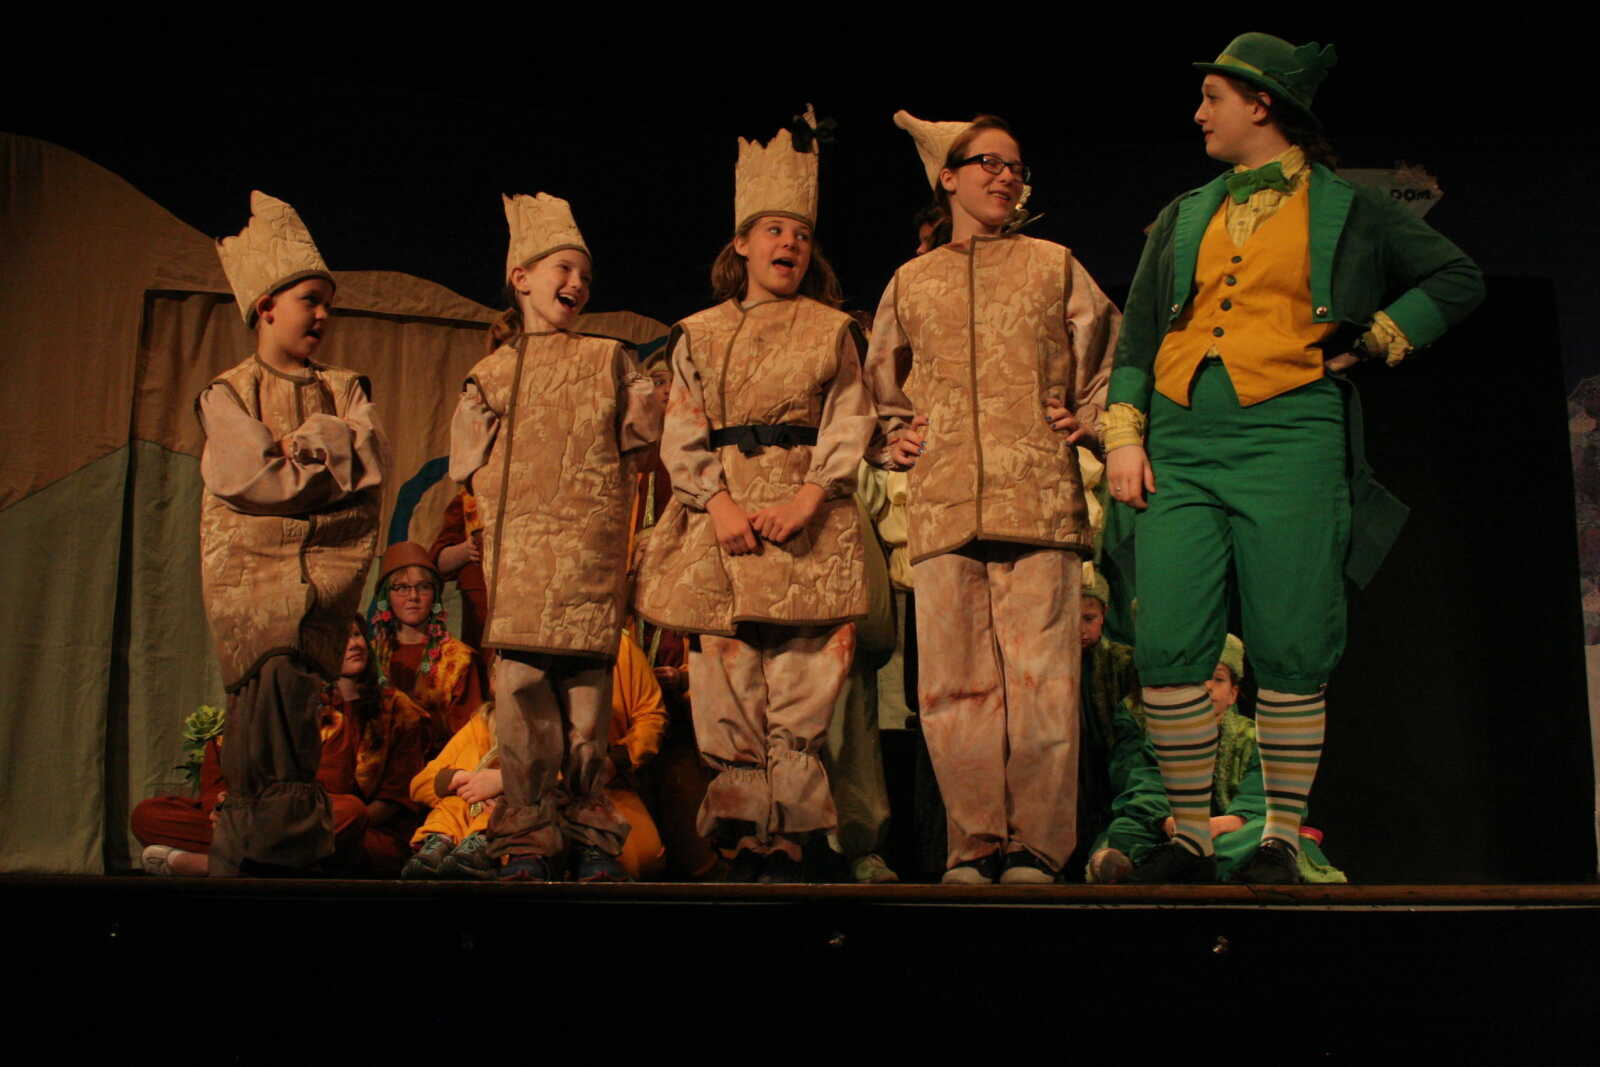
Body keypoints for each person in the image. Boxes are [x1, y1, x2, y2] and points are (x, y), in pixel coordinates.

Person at [1105, 33, 1485, 883]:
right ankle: (1191, 837)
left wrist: (1375, 339)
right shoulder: (1185, 212)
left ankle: (1280, 834)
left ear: (1262, 103)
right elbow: (1137, 336)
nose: (1198, 114)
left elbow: (1457, 278)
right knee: (1169, 639)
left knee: (1290, 635)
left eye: (1213, 98)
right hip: (1180, 441)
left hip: (1291, 434)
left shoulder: (1348, 207)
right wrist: (1125, 435)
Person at [865, 111, 1120, 884]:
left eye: (1015, 165)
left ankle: (1036, 848)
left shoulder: (1054, 264)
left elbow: (1109, 355)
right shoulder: (912, 280)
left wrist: (1090, 421)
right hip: (946, 504)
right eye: (988, 162)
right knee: (953, 687)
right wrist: (891, 436)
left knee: (1043, 682)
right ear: (949, 177)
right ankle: (974, 845)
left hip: (1036, 497)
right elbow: (876, 381)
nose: (1005, 176)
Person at [634, 108, 876, 883]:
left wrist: (810, 496)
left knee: (804, 676)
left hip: (807, 523)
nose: (789, 245)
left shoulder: (832, 329)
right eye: (774, 230)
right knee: (729, 672)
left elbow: (850, 419)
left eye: (801, 235)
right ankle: (742, 838)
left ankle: (792, 841)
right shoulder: (699, 332)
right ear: (741, 242)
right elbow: (683, 427)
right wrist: (717, 504)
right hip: (726, 522)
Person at [450, 191, 662, 881]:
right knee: (522, 691)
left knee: (586, 702)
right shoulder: (492, 374)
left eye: (585, 276)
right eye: (563, 269)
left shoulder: (611, 359)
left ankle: (590, 834)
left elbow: (643, 442)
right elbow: (466, 465)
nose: (577, 284)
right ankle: (528, 836)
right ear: (521, 277)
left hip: (589, 564)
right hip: (522, 569)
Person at [199, 191, 389, 876]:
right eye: (310, 299)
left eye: (328, 304)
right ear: (266, 306)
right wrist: (320, 458)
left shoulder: (346, 387)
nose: (322, 315)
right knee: (256, 719)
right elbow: (248, 476)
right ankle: (255, 860)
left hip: (323, 583)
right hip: (249, 584)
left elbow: (365, 462)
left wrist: (296, 449)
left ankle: (277, 864)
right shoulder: (228, 391)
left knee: (293, 710)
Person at [137, 620, 430, 877]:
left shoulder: (391, 709)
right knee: (149, 814)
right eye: (341, 638)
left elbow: (385, 797)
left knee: (351, 817)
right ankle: (267, 860)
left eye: (356, 635)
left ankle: (216, 865)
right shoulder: (288, 699)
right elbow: (219, 779)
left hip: (325, 822)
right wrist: (227, 809)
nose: (354, 644)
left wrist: (299, 820)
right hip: (261, 819)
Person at [403, 629, 669, 881]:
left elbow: (647, 719)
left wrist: (505, 781)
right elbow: (424, 781)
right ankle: (448, 844)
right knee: (458, 805)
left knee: (635, 853)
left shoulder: (609, 653)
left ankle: (582, 847)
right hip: (498, 810)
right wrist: (465, 781)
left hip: (584, 787)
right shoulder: (484, 721)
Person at [1087, 636, 1346, 883]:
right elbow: (1147, 788)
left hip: (1233, 831)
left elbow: (1264, 797)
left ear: (1233, 693)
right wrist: (1168, 822)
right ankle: (1187, 860)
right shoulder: (1166, 737)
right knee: (1123, 829)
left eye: (1218, 679)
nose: (1208, 686)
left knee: (1268, 830)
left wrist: (1218, 825)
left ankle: (1170, 866)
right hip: (1178, 830)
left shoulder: (1254, 738)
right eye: (1198, 679)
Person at [368, 541, 486, 751]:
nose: (413, 596)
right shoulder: (370, 655)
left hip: (439, 763)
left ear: (435, 596)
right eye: (402, 588)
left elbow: (469, 735)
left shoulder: (458, 659)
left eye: (423, 587)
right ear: (387, 596)